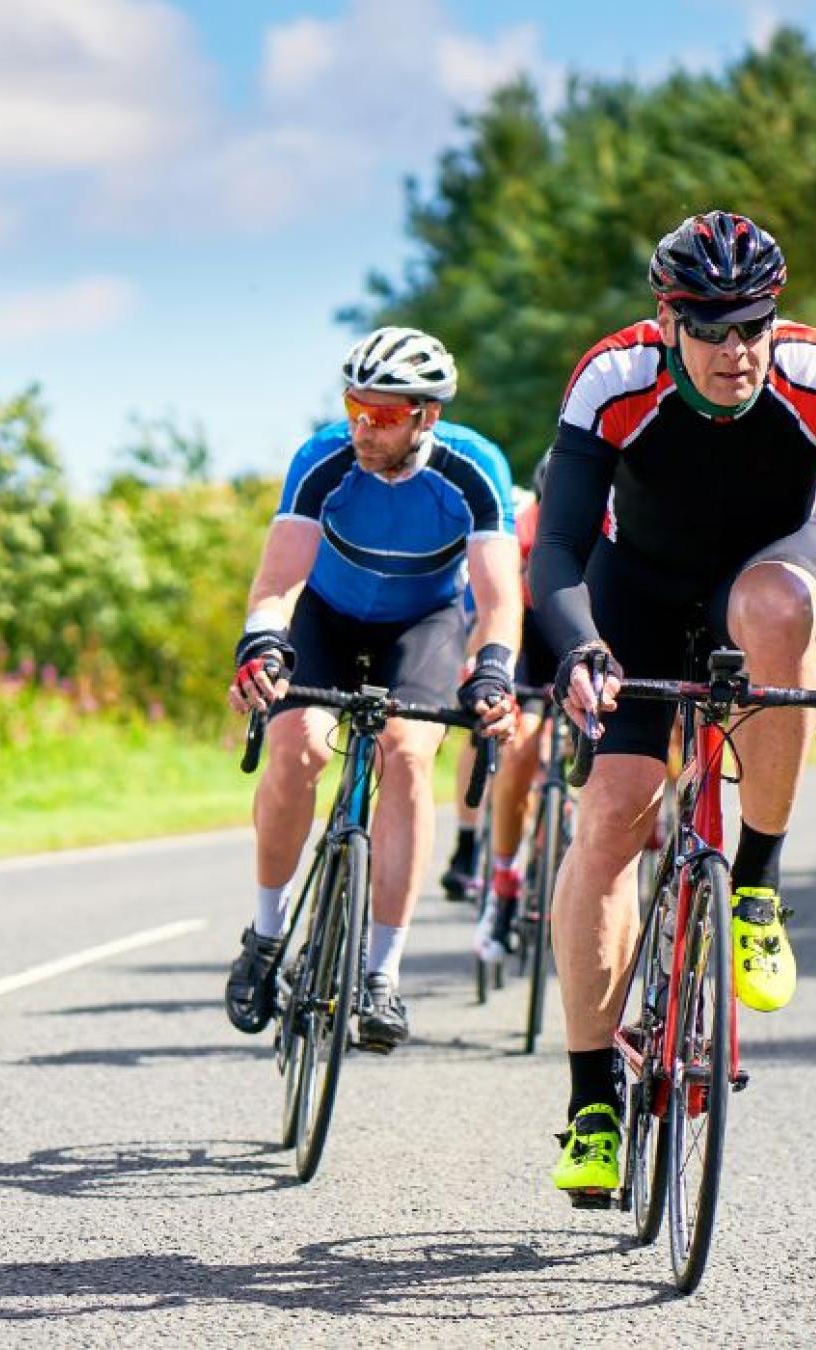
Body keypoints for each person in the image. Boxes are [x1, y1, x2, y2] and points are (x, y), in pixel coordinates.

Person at [530, 211, 816, 1201]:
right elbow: (560, 547)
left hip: (767, 571)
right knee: (610, 815)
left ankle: (757, 884)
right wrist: (584, 653)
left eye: (753, 324)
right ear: (668, 318)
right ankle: (593, 1098)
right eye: (711, 327)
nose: (736, 350)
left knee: (776, 608)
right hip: (637, 590)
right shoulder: (615, 380)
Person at [226, 326, 525, 1053]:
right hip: (325, 617)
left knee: (410, 756)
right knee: (297, 749)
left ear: (427, 414)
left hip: (419, 625)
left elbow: (497, 601)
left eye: (384, 413)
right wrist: (263, 642)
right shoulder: (323, 458)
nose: (363, 424)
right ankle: (266, 936)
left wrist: (492, 670)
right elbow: (277, 582)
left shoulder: (474, 469)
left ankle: (381, 973)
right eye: (356, 405)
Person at [443, 455, 559, 969]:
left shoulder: (620, 523)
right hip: (533, 637)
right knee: (518, 751)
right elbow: (498, 613)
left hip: (591, 637)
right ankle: (506, 883)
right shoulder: (524, 527)